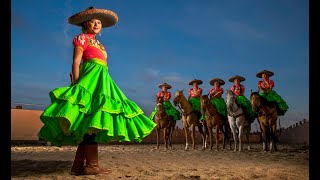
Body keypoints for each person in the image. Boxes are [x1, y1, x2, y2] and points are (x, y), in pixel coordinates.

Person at [38, 7, 156, 176]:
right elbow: (76, 62)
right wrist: (78, 84)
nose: (97, 24)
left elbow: (103, 66)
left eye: (99, 22)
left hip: (103, 81)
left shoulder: (100, 45)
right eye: (93, 21)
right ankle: (90, 166)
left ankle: (79, 166)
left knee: (92, 123)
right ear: (86, 23)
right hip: (89, 80)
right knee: (89, 120)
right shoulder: (82, 38)